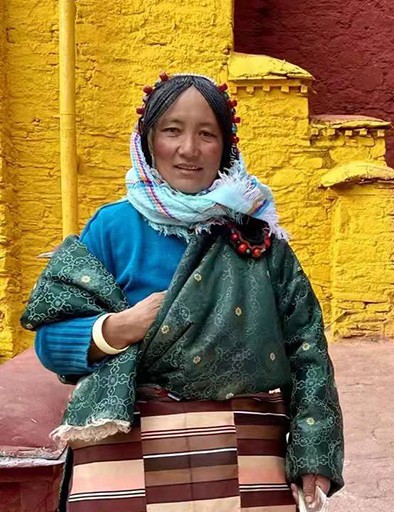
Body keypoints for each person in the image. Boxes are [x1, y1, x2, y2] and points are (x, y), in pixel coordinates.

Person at [22, 72, 343, 511]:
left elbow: (307, 352)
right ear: (149, 140)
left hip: (247, 448)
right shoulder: (113, 229)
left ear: (226, 147)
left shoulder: (260, 240)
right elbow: (51, 342)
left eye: (206, 134)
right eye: (172, 130)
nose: (189, 149)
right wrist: (118, 328)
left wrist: (313, 453)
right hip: (129, 443)